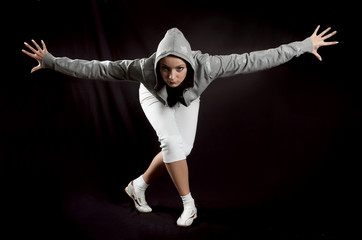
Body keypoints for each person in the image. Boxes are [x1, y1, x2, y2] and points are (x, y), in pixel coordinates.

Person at [22, 25, 338, 227]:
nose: (172, 75)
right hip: (153, 98)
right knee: (172, 145)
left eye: (178, 69)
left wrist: (303, 45)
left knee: (181, 150)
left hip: (189, 99)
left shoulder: (209, 66)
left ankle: (138, 186)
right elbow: (96, 69)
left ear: (189, 64)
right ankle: (189, 204)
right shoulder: (142, 71)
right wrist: (51, 61)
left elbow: (257, 58)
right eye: (166, 68)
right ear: (157, 65)